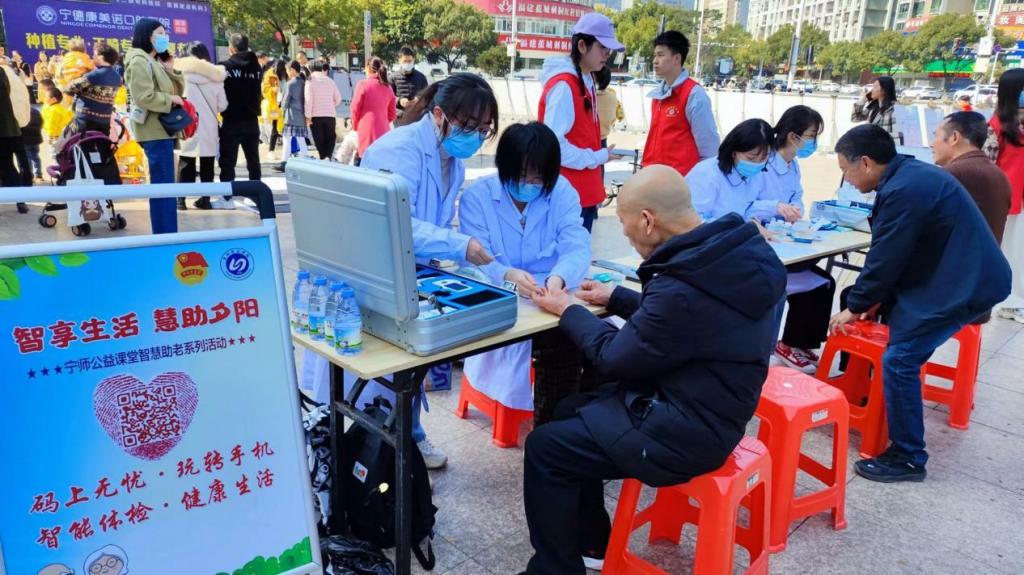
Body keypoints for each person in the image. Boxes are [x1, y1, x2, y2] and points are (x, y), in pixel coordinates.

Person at [524, 165, 786, 573]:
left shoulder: (682, 284)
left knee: (546, 448)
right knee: (568, 410)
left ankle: (554, 569)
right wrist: (617, 297)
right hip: (715, 405)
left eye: (625, 226)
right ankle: (592, 540)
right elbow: (684, 321)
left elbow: (615, 357)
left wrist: (569, 309)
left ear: (647, 221)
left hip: (687, 431)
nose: (627, 235)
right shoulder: (731, 255)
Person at [829, 124, 1010, 483]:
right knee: (898, 336)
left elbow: (887, 255)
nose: (846, 179)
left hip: (967, 285)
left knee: (900, 359)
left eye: (845, 170)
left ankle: (909, 456)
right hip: (955, 276)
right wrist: (872, 298)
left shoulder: (905, 189)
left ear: (865, 163)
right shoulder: (909, 175)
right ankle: (882, 407)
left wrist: (858, 304)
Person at [349, 73, 497, 468]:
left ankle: (410, 436)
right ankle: (373, 449)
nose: (475, 136)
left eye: (484, 129)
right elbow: (397, 224)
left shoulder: (453, 162)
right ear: (438, 114)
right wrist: (459, 245)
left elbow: (435, 223)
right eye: (468, 125)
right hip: (377, 269)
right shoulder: (398, 150)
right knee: (383, 375)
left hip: (415, 271)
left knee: (414, 366)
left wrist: (460, 258)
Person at [459, 122, 591, 425]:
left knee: (591, 340)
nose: (530, 183)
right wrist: (506, 274)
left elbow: (577, 244)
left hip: (553, 292)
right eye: (521, 175)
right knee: (561, 346)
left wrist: (558, 278)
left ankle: (575, 424)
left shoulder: (561, 191)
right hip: (500, 297)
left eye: (539, 177)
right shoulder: (477, 197)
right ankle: (551, 429)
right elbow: (474, 259)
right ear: (504, 167)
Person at [754, 105, 835, 373]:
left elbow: (796, 196)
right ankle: (782, 347)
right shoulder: (763, 163)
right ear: (793, 136)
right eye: (811, 136)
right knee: (792, 277)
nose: (814, 142)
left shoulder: (793, 165)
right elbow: (747, 203)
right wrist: (776, 207)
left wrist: (795, 210)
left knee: (824, 283)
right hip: (763, 238)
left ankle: (798, 343)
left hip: (786, 236)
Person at [539, 13, 625, 232]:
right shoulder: (565, 86)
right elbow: (554, 146)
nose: (607, 54)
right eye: (602, 47)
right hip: (568, 195)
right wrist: (597, 157)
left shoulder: (584, 80)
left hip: (580, 192)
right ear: (582, 46)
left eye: (609, 49)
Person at [125, 18, 185, 234]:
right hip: (154, 131)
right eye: (159, 33)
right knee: (163, 188)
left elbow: (174, 89)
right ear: (147, 36)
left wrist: (170, 69)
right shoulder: (139, 61)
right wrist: (171, 100)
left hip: (160, 130)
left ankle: (166, 233)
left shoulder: (152, 61)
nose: (164, 37)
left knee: (165, 186)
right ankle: (165, 235)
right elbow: (143, 97)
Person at [642, 30, 719, 177]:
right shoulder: (658, 95)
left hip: (681, 178)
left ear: (677, 58)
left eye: (660, 55)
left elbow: (708, 145)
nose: (655, 61)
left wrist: (702, 178)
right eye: (655, 55)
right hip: (653, 175)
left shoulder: (694, 94)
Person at [933, 111, 1011, 244]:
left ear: (954, 137)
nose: (931, 144)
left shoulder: (950, 175)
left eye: (936, 136)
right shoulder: (999, 175)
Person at [985, 68, 1024, 325]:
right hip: (1006, 201)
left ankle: (1015, 301)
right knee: (1008, 252)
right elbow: (987, 164)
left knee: (1019, 252)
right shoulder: (996, 125)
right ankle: (1009, 302)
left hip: (1021, 200)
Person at [685, 118, 773, 221]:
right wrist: (736, 227)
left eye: (763, 158)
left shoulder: (755, 175)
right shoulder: (706, 174)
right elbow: (693, 219)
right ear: (733, 152)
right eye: (751, 158)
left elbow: (746, 208)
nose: (757, 164)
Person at [174, 41, 227, 209]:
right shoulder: (216, 77)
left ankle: (181, 200)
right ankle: (205, 199)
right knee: (207, 163)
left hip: (187, 125)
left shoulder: (179, 75)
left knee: (185, 161)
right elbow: (222, 106)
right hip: (208, 126)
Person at [217, 33, 263, 205]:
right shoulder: (256, 68)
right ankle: (256, 196)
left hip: (232, 120)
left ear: (231, 49)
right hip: (252, 120)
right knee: (253, 160)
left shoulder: (224, 67)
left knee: (228, 161)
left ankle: (226, 198)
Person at [67, 43, 122, 135]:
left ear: (101, 57)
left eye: (95, 54)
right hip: (105, 121)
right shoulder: (117, 77)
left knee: (80, 143)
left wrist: (77, 77)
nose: (93, 57)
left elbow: (70, 88)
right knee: (100, 143)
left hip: (85, 120)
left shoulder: (94, 75)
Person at [351, 57, 396, 163]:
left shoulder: (362, 84)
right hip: (384, 131)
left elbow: (354, 109)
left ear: (367, 68)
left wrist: (355, 126)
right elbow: (392, 114)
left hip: (366, 130)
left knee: (364, 162)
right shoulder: (388, 87)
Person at [1, 58, 31, 213]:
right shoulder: (5, 72)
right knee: (11, 166)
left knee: (7, 166)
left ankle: (20, 199)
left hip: (5, 130)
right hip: (12, 127)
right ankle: (21, 199)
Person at [274, 59, 308, 172]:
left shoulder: (290, 84)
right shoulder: (304, 83)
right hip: (301, 116)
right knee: (301, 140)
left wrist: (282, 113)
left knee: (286, 140)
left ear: (292, 70)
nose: (287, 72)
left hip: (290, 117)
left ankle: (284, 162)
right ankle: (306, 161)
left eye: (287, 70)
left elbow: (284, 103)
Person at [304, 60, 341, 159]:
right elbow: (338, 99)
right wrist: (330, 106)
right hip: (330, 115)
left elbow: (308, 100)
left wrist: (308, 116)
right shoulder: (330, 81)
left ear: (310, 69)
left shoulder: (310, 81)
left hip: (316, 116)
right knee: (330, 139)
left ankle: (323, 158)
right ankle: (328, 157)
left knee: (319, 141)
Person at [852, 76, 898, 141]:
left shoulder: (892, 109)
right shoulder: (874, 106)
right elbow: (855, 118)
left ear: (884, 90)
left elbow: (894, 137)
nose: (872, 90)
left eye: (875, 87)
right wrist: (864, 99)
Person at [391, 45, 428, 119]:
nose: (407, 64)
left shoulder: (421, 77)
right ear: (399, 60)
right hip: (398, 117)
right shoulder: (392, 78)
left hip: (416, 117)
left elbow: (427, 96)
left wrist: (419, 99)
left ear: (413, 60)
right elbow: (387, 98)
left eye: (409, 61)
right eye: (405, 61)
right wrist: (399, 101)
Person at [594, 66, 623, 152]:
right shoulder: (612, 96)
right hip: (603, 139)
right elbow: (614, 117)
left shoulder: (587, 95)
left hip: (586, 141)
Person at [261, 59, 285, 157]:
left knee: (283, 129)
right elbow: (265, 90)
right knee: (274, 128)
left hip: (283, 105)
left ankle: (289, 150)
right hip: (274, 106)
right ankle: (271, 151)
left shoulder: (284, 75)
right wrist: (274, 89)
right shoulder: (269, 75)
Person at [22, 105, 43, 181]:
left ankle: (30, 175)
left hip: (25, 139)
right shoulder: (36, 111)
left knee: (27, 157)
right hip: (36, 139)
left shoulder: (21, 113)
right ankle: (39, 174)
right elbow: (41, 123)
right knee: (36, 156)